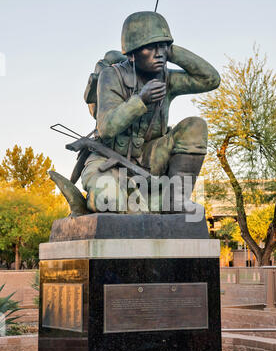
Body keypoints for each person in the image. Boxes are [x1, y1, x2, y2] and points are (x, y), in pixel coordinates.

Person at [81, 11, 220, 215]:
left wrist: (172, 51)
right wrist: (140, 100)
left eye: (162, 46)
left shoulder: (167, 79)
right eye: (150, 47)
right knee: (110, 202)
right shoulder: (111, 75)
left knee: (195, 126)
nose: (159, 53)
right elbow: (106, 128)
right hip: (107, 160)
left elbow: (210, 80)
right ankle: (127, 197)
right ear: (131, 53)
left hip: (150, 158)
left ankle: (176, 199)